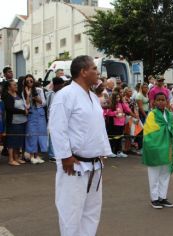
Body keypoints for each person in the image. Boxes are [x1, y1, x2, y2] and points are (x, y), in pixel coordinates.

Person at [48, 55, 112, 236]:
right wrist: (65, 156)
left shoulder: (92, 96)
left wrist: (101, 151)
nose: (97, 72)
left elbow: (95, 128)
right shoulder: (65, 95)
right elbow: (57, 128)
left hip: (94, 164)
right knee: (71, 212)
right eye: (94, 68)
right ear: (83, 72)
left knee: (91, 212)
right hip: (74, 163)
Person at [142, 92, 173, 209]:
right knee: (154, 174)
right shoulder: (152, 114)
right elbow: (149, 132)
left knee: (165, 173)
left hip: (168, 148)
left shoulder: (169, 114)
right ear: (154, 102)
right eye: (158, 100)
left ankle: (162, 197)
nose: (161, 102)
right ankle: (154, 199)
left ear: (167, 102)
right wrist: (167, 128)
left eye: (163, 100)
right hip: (156, 149)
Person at [2, 80, 29, 166]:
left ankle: (16, 158)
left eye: (16, 84)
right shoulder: (7, 96)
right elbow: (10, 109)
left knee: (19, 140)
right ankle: (11, 159)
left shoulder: (17, 94)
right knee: (12, 140)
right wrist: (23, 111)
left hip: (22, 121)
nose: (16, 86)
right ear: (9, 87)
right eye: (14, 85)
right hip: (13, 122)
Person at [23, 74, 47, 164]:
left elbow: (44, 103)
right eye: (27, 81)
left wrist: (36, 98)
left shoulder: (39, 90)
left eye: (31, 81)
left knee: (41, 134)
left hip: (40, 112)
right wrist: (28, 95)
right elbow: (27, 106)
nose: (29, 82)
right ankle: (31, 155)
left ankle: (37, 155)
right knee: (32, 134)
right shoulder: (24, 91)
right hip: (31, 113)